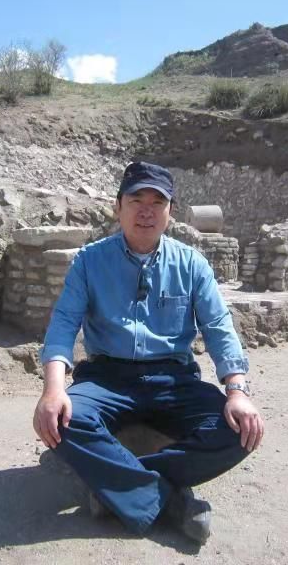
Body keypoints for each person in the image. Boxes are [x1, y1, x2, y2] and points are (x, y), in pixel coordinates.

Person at [32, 161, 264, 544]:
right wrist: (53, 389)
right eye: (136, 200)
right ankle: (171, 500)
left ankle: (118, 487)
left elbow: (219, 327)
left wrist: (237, 391)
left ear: (171, 211)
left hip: (173, 381)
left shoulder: (191, 264)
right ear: (117, 206)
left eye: (158, 202)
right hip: (107, 380)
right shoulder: (89, 261)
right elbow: (63, 325)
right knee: (64, 421)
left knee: (240, 430)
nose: (146, 211)